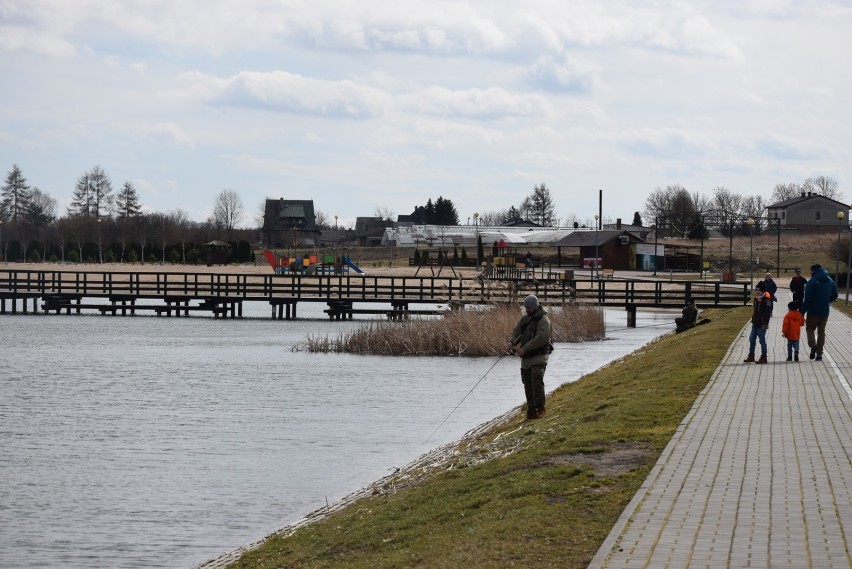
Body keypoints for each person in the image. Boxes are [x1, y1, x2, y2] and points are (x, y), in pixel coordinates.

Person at [505, 294, 552, 420]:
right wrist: (511, 342)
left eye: (530, 308)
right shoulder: (525, 319)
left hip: (539, 357)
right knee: (527, 385)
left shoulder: (544, 320)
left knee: (537, 383)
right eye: (526, 307)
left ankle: (540, 410)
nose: (527, 310)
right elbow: (516, 331)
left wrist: (524, 348)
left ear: (535, 307)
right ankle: (531, 412)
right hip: (525, 360)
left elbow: (541, 339)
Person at [800, 263, 839, 361]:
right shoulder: (830, 281)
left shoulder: (812, 281)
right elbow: (835, 295)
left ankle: (813, 345)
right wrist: (827, 301)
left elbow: (807, 299)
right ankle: (819, 354)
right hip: (825, 311)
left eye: (810, 271)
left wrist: (802, 311)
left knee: (810, 328)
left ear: (813, 271)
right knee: (821, 332)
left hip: (813, 311)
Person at [744, 281, 773, 364]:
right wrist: (753, 319)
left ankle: (764, 357)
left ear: (762, 291)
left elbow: (767, 313)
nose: (757, 292)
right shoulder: (756, 299)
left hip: (762, 324)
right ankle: (751, 356)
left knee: (762, 340)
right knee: (751, 339)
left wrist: (765, 324)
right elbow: (755, 310)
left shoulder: (767, 300)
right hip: (755, 323)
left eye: (758, 290)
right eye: (756, 290)